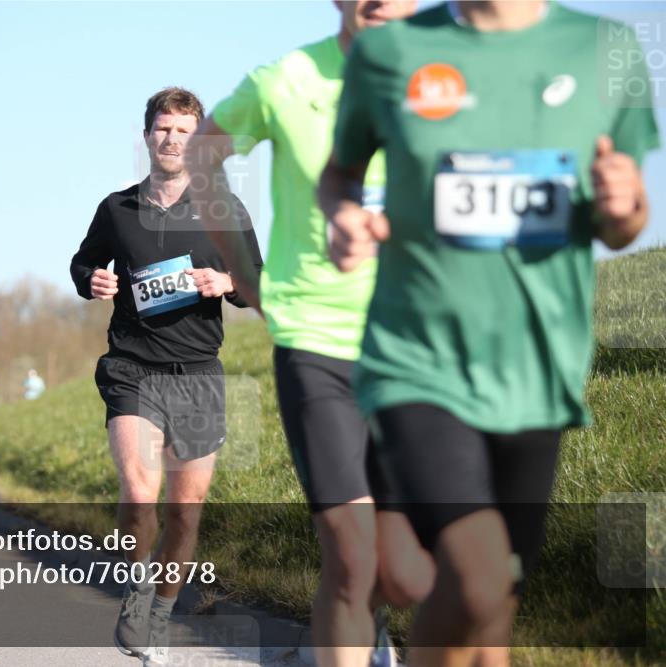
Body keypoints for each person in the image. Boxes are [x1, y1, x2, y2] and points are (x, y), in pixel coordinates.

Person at [318, 2, 659, 665]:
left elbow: (624, 219)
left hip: (538, 370)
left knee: (494, 615)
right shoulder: (391, 52)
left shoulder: (606, 47)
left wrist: (626, 207)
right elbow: (340, 173)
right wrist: (344, 215)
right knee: (477, 580)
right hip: (418, 360)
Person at [185, 2, 429, 666]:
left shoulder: (451, 76)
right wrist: (245, 274)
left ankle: (369, 625)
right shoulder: (285, 79)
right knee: (351, 553)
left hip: (421, 343)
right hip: (316, 336)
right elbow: (204, 157)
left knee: (407, 568)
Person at [70, 87, 263, 666]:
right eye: (163, 128)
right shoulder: (117, 208)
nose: (172, 139)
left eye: (183, 131)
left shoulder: (223, 208)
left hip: (198, 372)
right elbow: (84, 262)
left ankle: (161, 609)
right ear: (147, 136)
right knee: (138, 492)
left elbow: (257, 282)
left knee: (185, 510)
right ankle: (135, 593)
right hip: (132, 367)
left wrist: (226, 283)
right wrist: (92, 280)